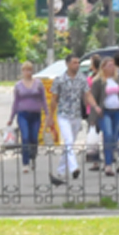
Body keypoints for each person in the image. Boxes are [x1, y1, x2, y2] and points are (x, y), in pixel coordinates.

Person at [85, 56, 119, 177]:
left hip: (118, 112)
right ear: (103, 67)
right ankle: (108, 165)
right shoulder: (98, 81)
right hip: (104, 112)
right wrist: (93, 115)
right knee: (108, 135)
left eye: (113, 65)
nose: (112, 67)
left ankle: (113, 157)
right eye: (109, 65)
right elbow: (93, 98)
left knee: (115, 138)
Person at [50, 55, 88, 185]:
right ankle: (74, 168)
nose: (77, 65)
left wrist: (94, 107)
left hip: (76, 115)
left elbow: (87, 95)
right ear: (67, 64)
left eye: (78, 63)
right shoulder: (59, 80)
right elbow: (54, 99)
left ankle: (60, 171)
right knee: (68, 141)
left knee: (69, 145)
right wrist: (50, 116)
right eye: (74, 63)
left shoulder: (82, 79)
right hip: (63, 115)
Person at [9, 61, 48, 175]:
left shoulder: (38, 84)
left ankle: (32, 157)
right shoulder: (18, 85)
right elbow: (15, 102)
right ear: (22, 72)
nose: (28, 72)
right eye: (26, 70)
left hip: (36, 114)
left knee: (34, 138)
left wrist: (47, 113)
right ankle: (25, 163)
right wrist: (11, 117)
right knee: (25, 137)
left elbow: (43, 99)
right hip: (23, 114)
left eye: (30, 70)